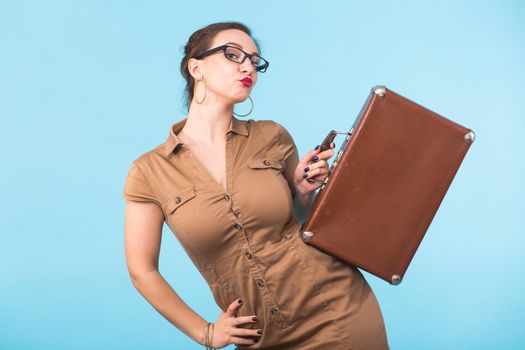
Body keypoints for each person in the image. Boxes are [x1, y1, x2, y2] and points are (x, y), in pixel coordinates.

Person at [122, 21, 390, 350]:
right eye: (232, 55)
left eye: (254, 60)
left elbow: (298, 218)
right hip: (262, 336)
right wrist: (205, 332)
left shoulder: (272, 136)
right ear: (196, 67)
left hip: (338, 313)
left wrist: (303, 189)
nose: (248, 66)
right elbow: (142, 270)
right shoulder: (149, 171)